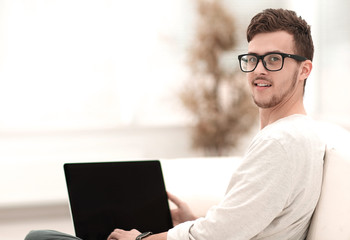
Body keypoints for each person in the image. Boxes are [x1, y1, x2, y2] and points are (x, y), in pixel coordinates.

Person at [25, 8, 325, 240]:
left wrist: (143, 238)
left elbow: (219, 236)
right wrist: (194, 220)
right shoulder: (295, 134)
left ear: (304, 70)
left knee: (41, 237)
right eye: (253, 59)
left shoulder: (282, 142)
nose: (259, 70)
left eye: (274, 60)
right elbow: (241, 223)